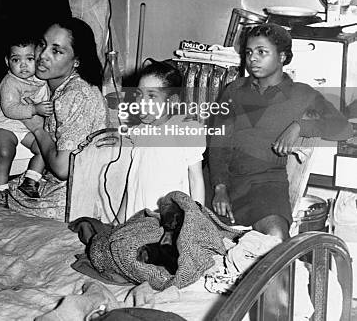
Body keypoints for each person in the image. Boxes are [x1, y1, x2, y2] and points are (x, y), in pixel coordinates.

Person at [208, 22, 353, 240]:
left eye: (261, 52)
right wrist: (220, 188)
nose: (252, 58)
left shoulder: (302, 95)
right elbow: (218, 144)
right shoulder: (234, 91)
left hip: (267, 185)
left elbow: (343, 128)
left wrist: (300, 127)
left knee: (276, 236)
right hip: (227, 183)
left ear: (282, 57)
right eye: (248, 52)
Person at [8, 17, 109, 220]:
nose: (42, 56)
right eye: (43, 45)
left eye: (56, 51)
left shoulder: (76, 94)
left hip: (79, 198)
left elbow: (64, 169)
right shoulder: (49, 84)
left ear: (77, 60)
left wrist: (37, 129)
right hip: (60, 183)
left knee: (5, 203)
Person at [118, 60, 205, 221]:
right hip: (137, 220)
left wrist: (196, 222)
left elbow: (196, 179)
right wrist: (118, 221)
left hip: (169, 223)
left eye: (151, 96)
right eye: (139, 94)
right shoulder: (139, 132)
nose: (141, 103)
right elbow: (133, 184)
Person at [0, 37, 53, 207]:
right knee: (6, 151)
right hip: (4, 123)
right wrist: (34, 109)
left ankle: (31, 180)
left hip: (26, 127)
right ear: (8, 62)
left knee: (45, 149)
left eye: (29, 59)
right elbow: (10, 109)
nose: (23, 65)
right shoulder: (9, 82)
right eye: (16, 60)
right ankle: (1, 191)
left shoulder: (41, 81)